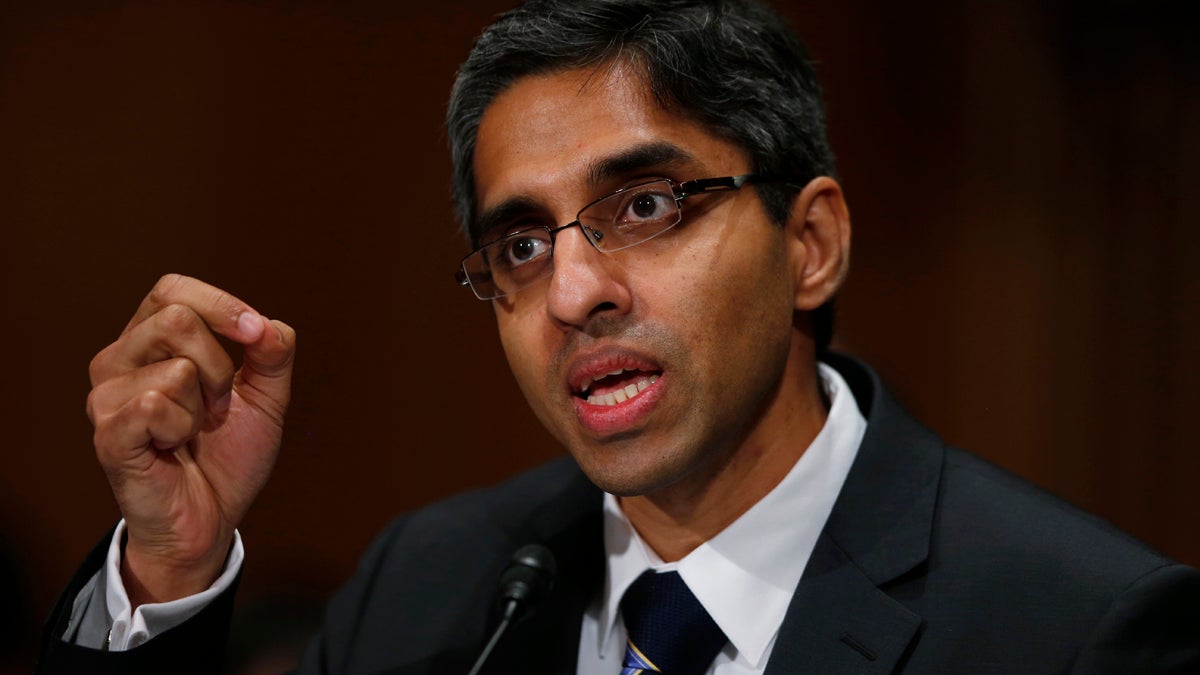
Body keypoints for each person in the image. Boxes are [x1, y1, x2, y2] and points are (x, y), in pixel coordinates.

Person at [35, 0, 1200, 673]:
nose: (572, 292)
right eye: (523, 245)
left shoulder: (1078, 631)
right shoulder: (430, 591)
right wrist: (171, 575)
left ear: (811, 244)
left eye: (644, 207)